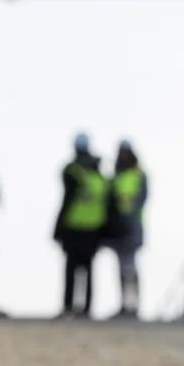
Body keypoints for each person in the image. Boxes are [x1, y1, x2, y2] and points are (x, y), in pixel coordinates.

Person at [53, 134, 108, 318]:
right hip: (95, 229)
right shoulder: (98, 174)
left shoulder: (72, 171)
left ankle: (69, 306)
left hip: (74, 226)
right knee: (88, 269)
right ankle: (86, 309)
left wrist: (58, 227)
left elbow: (67, 201)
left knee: (71, 269)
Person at [108, 141, 147, 319]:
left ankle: (134, 305)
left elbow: (142, 199)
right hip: (118, 228)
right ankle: (125, 304)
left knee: (130, 267)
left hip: (132, 227)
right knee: (122, 268)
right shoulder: (117, 175)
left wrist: (129, 216)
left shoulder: (139, 174)